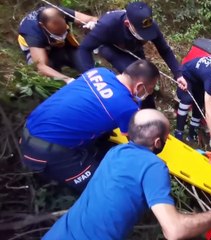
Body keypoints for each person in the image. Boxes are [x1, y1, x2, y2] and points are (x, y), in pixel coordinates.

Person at [43, 109, 211, 240]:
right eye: (166, 139)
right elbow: (174, 231)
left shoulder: (115, 152)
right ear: (158, 143)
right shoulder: (153, 166)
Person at [19, 59, 159, 192]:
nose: (150, 93)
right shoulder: (126, 107)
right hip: (45, 151)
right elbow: (137, 141)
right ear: (140, 86)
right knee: (103, 185)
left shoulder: (99, 72)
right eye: (150, 89)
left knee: (102, 140)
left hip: (28, 130)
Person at [77, 1, 185, 108]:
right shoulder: (108, 24)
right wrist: (91, 77)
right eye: (142, 34)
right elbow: (84, 49)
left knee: (147, 78)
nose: (146, 38)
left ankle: (149, 111)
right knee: (134, 76)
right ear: (127, 24)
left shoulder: (150, 25)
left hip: (134, 48)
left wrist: (178, 74)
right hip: (111, 47)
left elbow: (165, 50)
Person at [18, 5, 97, 83]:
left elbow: (91, 19)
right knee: (44, 76)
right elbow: (41, 66)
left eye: (63, 31)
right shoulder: (32, 34)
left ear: (63, 17)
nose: (61, 35)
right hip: (40, 49)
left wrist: (94, 24)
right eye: (57, 34)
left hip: (64, 44)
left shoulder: (60, 12)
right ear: (42, 26)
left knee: (86, 67)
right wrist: (67, 79)